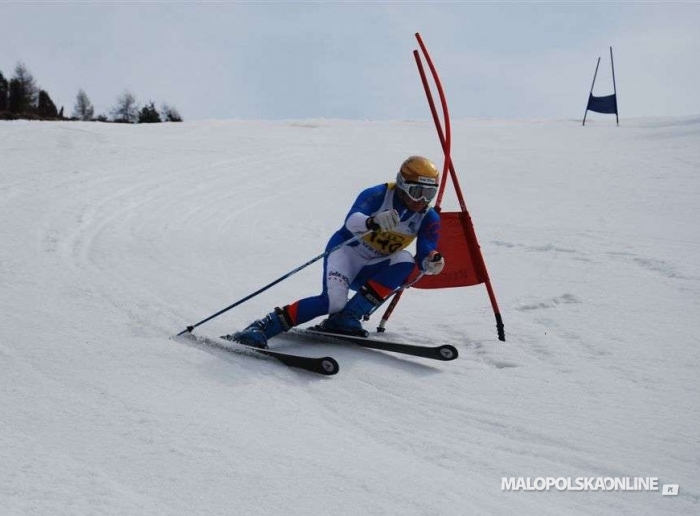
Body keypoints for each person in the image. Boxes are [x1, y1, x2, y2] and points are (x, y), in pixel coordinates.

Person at [224, 155, 446, 349]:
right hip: (347, 253)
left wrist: (430, 261)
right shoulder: (379, 194)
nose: (422, 200)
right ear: (402, 185)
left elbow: (425, 251)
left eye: (429, 193)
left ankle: (347, 317)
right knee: (332, 302)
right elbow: (351, 221)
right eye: (417, 191)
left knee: (405, 260)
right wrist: (372, 221)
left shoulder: (428, 216)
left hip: (374, 266)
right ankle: (263, 327)